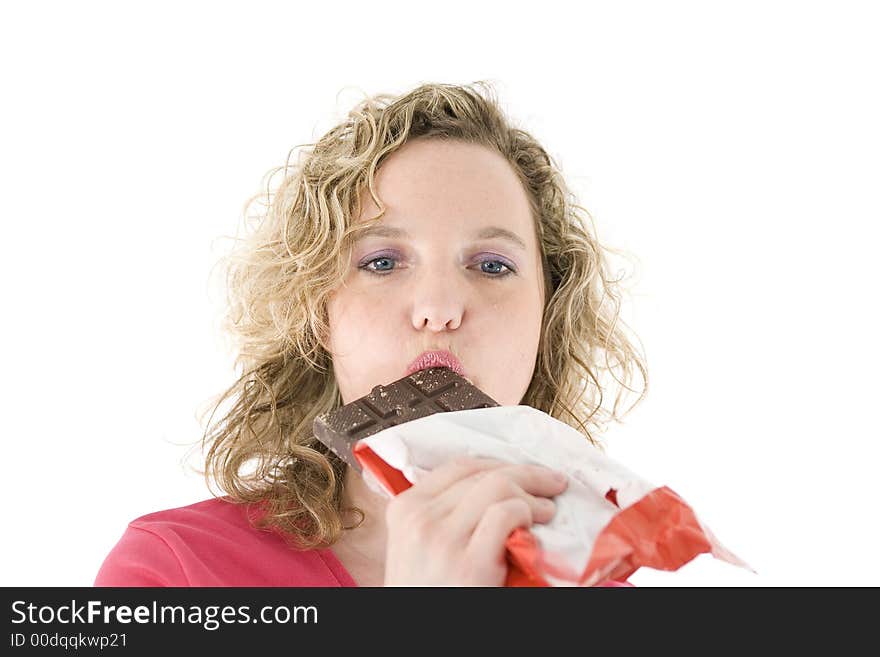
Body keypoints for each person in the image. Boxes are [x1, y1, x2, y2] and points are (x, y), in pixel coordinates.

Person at [94, 81, 648, 587]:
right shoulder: (174, 570)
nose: (439, 309)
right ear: (319, 312)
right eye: (382, 262)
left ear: (547, 316)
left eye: (492, 265)